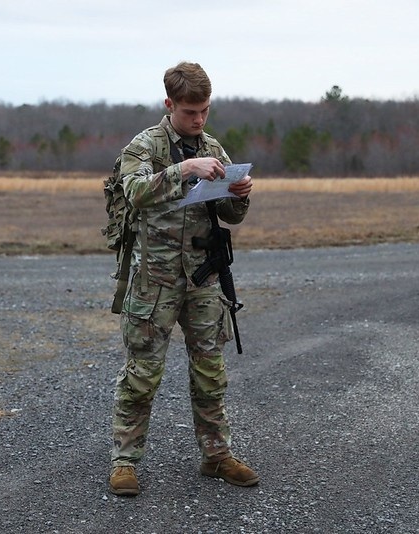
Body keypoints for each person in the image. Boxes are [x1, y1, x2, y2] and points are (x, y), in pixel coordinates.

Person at [108, 61, 256, 496]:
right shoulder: (146, 145)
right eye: (191, 111)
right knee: (142, 373)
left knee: (211, 372)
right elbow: (134, 192)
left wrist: (240, 194)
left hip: (203, 278)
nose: (199, 120)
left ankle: (216, 455)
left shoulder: (212, 146)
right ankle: (125, 461)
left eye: (205, 110)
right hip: (154, 282)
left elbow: (230, 214)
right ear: (169, 104)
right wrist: (185, 170)